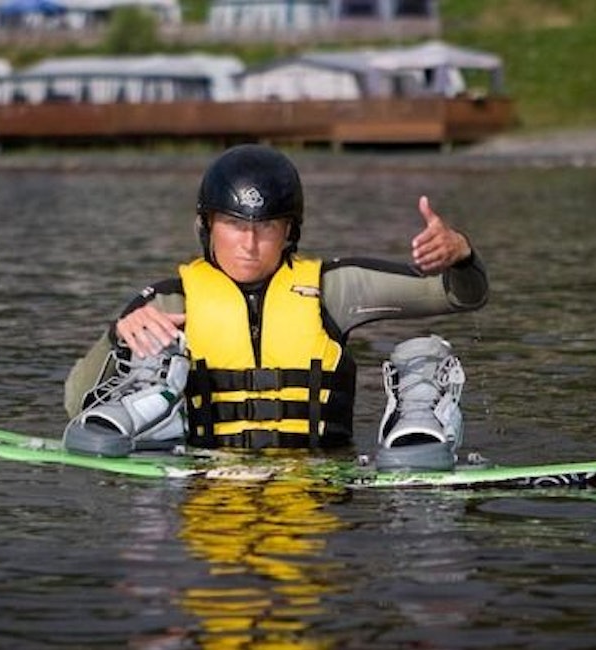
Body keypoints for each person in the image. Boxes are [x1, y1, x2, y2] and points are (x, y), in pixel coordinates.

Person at [62, 144, 488, 470]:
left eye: (265, 226)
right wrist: (118, 336)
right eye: (234, 224)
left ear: (289, 232)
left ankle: (421, 435)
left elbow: (461, 295)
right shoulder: (169, 302)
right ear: (207, 226)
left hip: (320, 480)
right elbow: (76, 403)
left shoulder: (335, 288)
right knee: (138, 375)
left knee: (424, 354)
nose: (249, 244)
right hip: (208, 481)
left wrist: (461, 254)